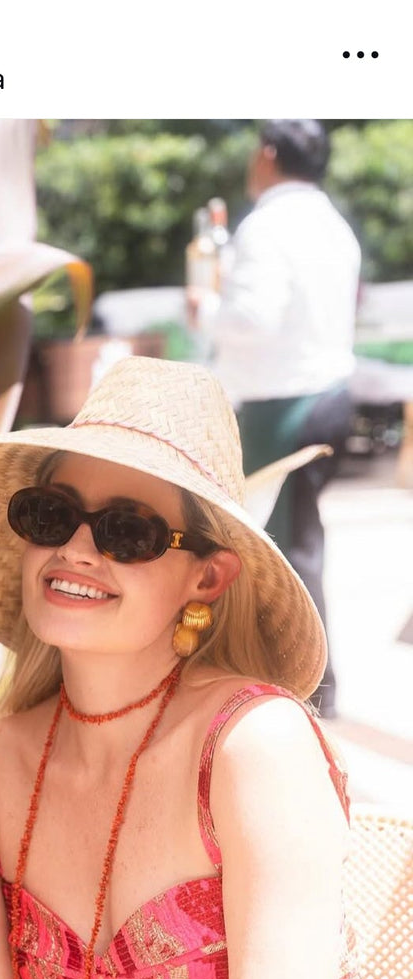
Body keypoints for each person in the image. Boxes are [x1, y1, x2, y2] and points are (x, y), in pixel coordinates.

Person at [0, 356, 413, 979]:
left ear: (206, 576)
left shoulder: (252, 745)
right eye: (51, 513)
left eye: (127, 530)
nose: (76, 548)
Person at [212, 120, 361, 719]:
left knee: (276, 547)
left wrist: (208, 308)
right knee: (296, 540)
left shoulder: (268, 224)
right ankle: (306, 682)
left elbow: (251, 318)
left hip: (284, 402)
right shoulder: (332, 223)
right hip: (329, 392)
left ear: (268, 155)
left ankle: (308, 685)